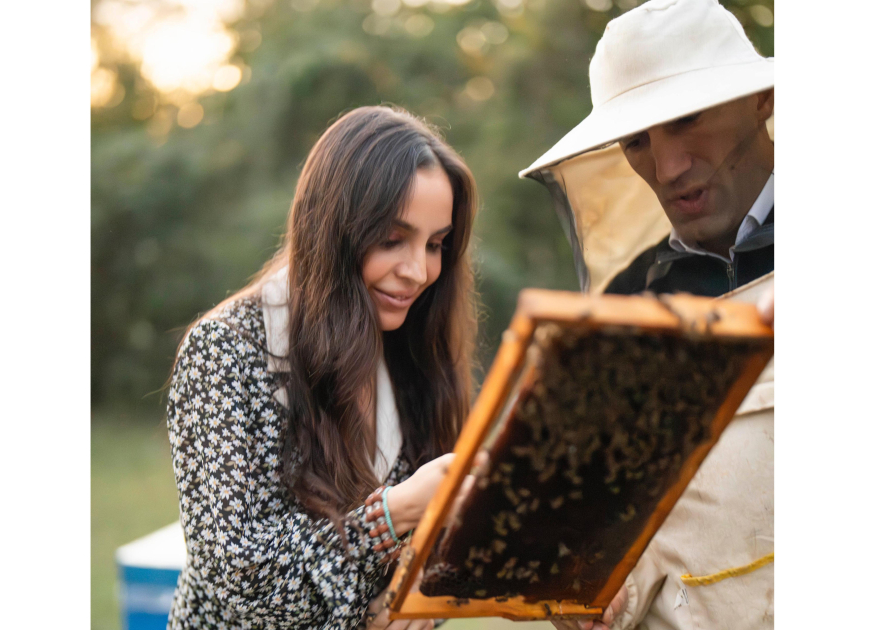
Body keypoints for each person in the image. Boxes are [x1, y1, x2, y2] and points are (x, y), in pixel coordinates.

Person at [165, 106, 480, 630]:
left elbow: (441, 551)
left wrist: (420, 596)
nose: (418, 271)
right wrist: (390, 517)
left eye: (435, 244)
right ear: (332, 228)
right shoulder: (225, 351)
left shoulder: (411, 345)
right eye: (392, 239)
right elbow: (242, 579)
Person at [521, 1, 775, 628]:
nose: (667, 168)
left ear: (762, 99)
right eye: (637, 140)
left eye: (687, 119)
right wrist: (586, 584)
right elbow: (600, 520)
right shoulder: (623, 308)